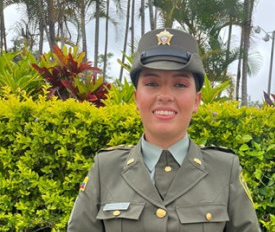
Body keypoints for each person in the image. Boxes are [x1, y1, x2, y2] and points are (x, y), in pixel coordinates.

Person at [67, 28, 261, 232]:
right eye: (152, 83)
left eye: (179, 84)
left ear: (196, 101)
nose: (165, 95)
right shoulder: (105, 169)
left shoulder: (224, 170)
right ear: (136, 98)